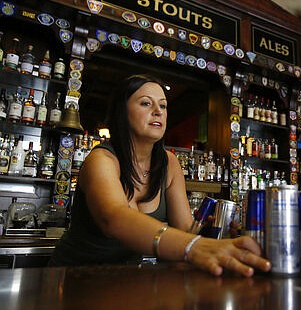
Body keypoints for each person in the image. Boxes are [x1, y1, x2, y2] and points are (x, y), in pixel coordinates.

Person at [49, 74, 271, 277]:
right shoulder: (102, 159)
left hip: (124, 280)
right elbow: (113, 217)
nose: (158, 111)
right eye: (146, 103)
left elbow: (185, 230)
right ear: (122, 112)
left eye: (163, 106)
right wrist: (193, 246)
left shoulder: (169, 163)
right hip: (75, 277)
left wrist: (215, 236)